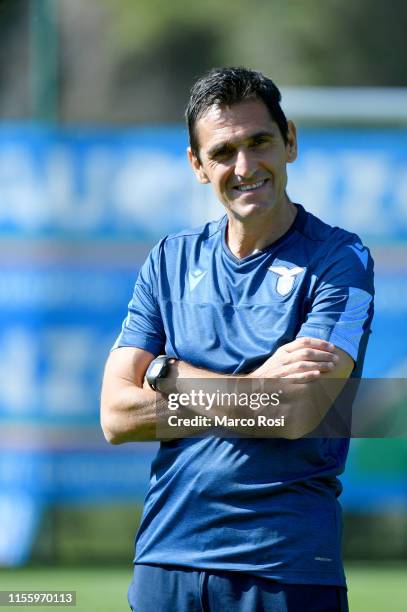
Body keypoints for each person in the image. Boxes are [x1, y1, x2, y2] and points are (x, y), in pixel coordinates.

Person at [101, 67, 374, 611]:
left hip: (284, 566)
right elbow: (116, 415)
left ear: (289, 141)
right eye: (223, 152)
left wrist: (170, 377)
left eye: (259, 142)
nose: (246, 167)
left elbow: (296, 412)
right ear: (197, 167)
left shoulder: (340, 261)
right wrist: (253, 388)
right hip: (165, 560)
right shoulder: (169, 261)